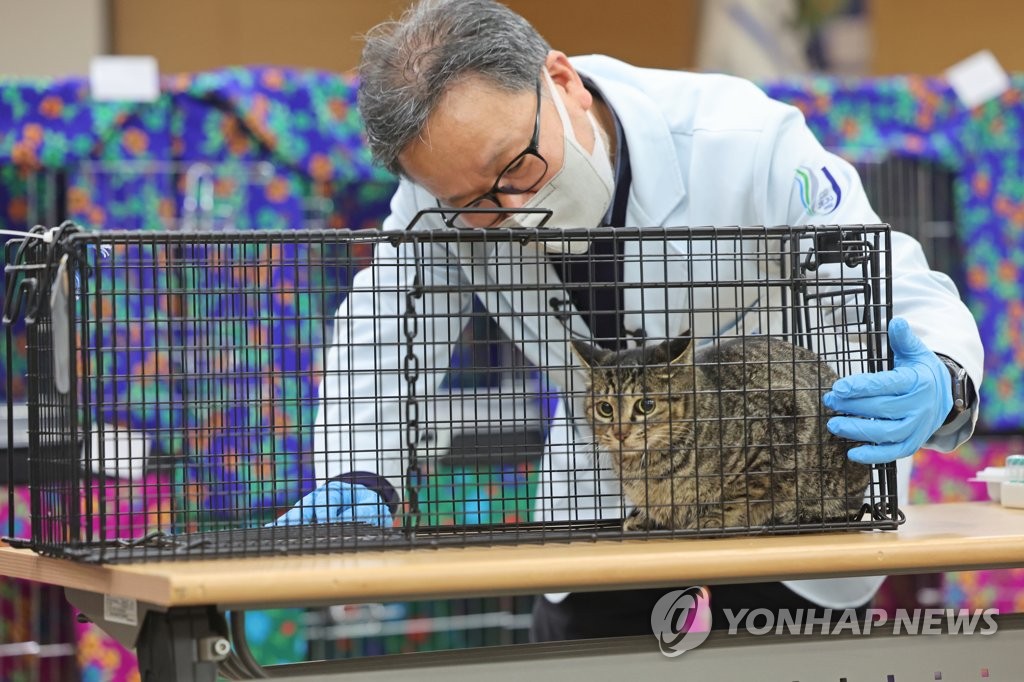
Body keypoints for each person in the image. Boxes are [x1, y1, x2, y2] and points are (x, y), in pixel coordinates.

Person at [277, 0, 983, 641]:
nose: (511, 211)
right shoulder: (440, 194)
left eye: (517, 167)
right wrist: (357, 477)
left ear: (562, 80)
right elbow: (385, 329)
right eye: (477, 206)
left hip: (781, 491)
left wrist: (942, 381)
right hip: (607, 505)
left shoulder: (743, 137)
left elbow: (884, 276)